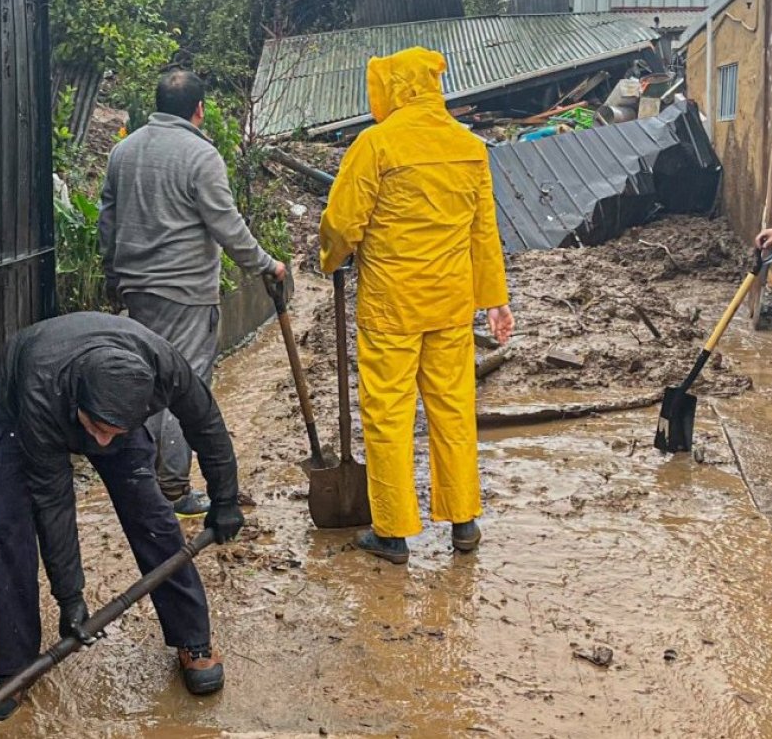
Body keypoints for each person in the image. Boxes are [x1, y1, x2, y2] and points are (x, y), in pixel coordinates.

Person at [0, 311, 245, 721]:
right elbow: (54, 500)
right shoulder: (40, 391)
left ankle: (193, 640)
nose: (100, 443)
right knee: (7, 527)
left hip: (113, 405)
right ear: (79, 402)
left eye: (112, 433)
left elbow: (205, 423)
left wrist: (225, 497)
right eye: (96, 429)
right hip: (22, 405)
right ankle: (12, 669)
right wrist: (70, 597)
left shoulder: (162, 369)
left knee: (151, 513)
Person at [319, 46, 514, 566]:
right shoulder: (468, 146)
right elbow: (483, 230)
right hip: (450, 304)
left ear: (396, 87)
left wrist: (330, 258)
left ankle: (394, 530)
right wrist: (494, 299)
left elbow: (342, 224)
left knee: (389, 414)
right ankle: (464, 521)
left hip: (391, 307)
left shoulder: (376, 144)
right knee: (452, 410)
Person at [98, 70, 286, 518]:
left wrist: (113, 276)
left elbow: (107, 221)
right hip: (185, 293)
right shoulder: (201, 156)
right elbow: (226, 226)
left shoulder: (122, 152)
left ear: (156, 104)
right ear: (199, 110)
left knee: (144, 381)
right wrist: (265, 263)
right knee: (185, 387)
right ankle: (174, 488)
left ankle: (138, 479)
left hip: (137, 289)